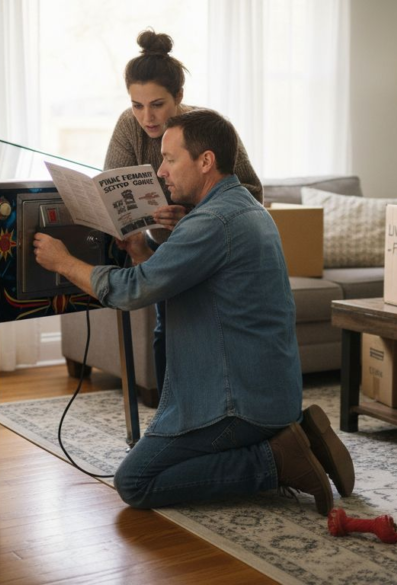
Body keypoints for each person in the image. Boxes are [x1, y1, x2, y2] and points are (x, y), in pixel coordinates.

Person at [33, 109, 354, 515]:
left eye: (170, 159)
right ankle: (294, 434)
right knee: (169, 459)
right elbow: (185, 277)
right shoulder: (241, 207)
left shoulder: (213, 222)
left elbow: (132, 291)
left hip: (240, 405)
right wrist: (143, 250)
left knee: (136, 482)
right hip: (268, 394)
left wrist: (63, 263)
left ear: (205, 161)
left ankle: (275, 460)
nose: (161, 172)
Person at [106, 29, 263, 405]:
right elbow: (111, 186)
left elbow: (251, 193)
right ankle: (170, 414)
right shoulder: (129, 126)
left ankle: (217, 409)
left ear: (179, 96)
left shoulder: (208, 130)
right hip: (161, 247)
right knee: (166, 329)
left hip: (209, 244)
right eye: (137, 105)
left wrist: (192, 215)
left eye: (157, 104)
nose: (146, 117)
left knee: (202, 331)